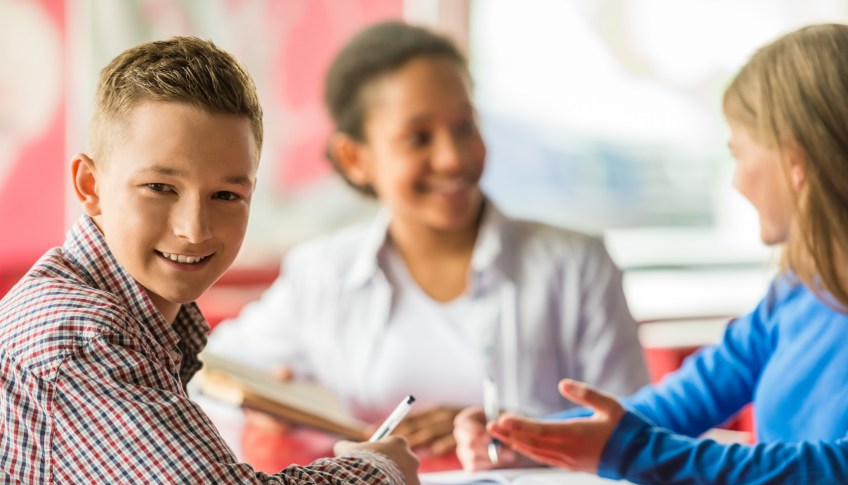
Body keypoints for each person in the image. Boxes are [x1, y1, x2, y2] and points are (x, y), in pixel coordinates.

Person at [0, 36, 419, 485]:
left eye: (226, 196)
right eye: (159, 187)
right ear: (90, 185)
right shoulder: (77, 336)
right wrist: (380, 473)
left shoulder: (144, 320)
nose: (194, 229)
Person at [454, 23, 848, 485]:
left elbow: (839, 476)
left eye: (739, 153)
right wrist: (529, 437)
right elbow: (678, 405)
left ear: (795, 162)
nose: (737, 180)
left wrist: (638, 455)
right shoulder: (792, 294)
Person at [206, 20, 649, 456]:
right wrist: (261, 407)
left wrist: (504, 428)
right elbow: (208, 375)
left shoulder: (576, 264)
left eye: (465, 127)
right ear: (354, 157)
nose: (453, 158)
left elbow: (635, 426)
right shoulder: (322, 273)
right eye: (418, 138)